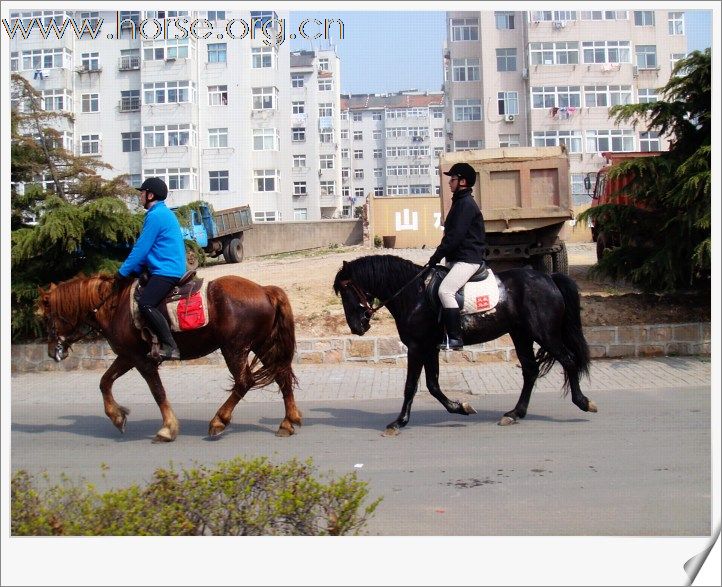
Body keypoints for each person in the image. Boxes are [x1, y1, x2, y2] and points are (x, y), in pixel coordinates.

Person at [116, 177, 186, 361]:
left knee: (145, 303)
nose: (140, 196)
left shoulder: (156, 215)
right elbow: (149, 251)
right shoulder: (162, 213)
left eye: (142, 193)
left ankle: (171, 346)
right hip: (164, 267)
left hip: (166, 270)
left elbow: (141, 248)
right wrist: (135, 270)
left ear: (150, 195)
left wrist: (122, 273)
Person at [427, 162, 486, 351]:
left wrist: (436, 256)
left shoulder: (466, 204)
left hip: (468, 259)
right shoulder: (459, 202)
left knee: (445, 291)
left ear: (463, 181)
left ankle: (455, 338)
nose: (449, 183)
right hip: (459, 258)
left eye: (452, 179)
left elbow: (454, 237)